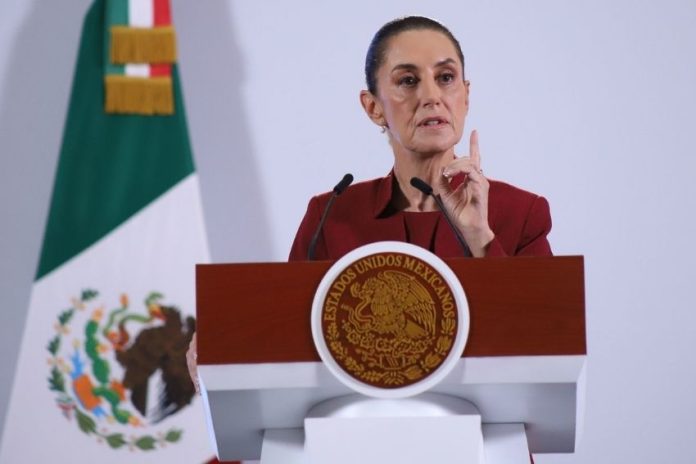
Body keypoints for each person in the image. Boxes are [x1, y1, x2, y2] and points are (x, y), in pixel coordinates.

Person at [188, 12, 552, 397]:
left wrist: (480, 237)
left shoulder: (520, 213)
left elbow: (547, 345)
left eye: (445, 78)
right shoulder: (333, 215)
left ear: (466, 94)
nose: (430, 96)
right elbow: (288, 340)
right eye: (407, 81)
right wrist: (223, 355)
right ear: (373, 107)